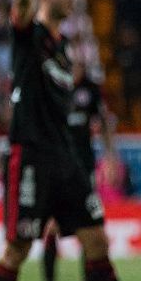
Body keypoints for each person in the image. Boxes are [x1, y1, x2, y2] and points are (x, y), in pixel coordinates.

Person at [0, 0, 119, 281]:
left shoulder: (63, 48)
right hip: (31, 155)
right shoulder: (30, 37)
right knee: (18, 248)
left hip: (67, 158)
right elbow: (19, 11)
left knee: (97, 239)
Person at [41, 61, 118, 281]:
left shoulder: (91, 90)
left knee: (89, 227)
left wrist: (110, 158)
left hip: (84, 169)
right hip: (57, 168)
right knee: (52, 227)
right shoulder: (54, 87)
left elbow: (103, 124)